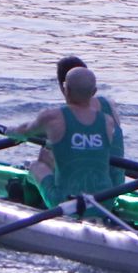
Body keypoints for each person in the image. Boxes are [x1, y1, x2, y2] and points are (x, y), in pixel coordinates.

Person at [6, 66, 120, 207]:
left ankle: (28, 205)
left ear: (66, 90)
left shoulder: (52, 117)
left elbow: (24, 132)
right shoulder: (108, 122)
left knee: (36, 167)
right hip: (104, 201)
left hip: (65, 202)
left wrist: (9, 131)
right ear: (94, 92)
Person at [54, 55, 125, 176]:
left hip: (84, 184)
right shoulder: (109, 104)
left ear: (64, 87)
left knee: (41, 163)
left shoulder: (63, 117)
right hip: (117, 180)